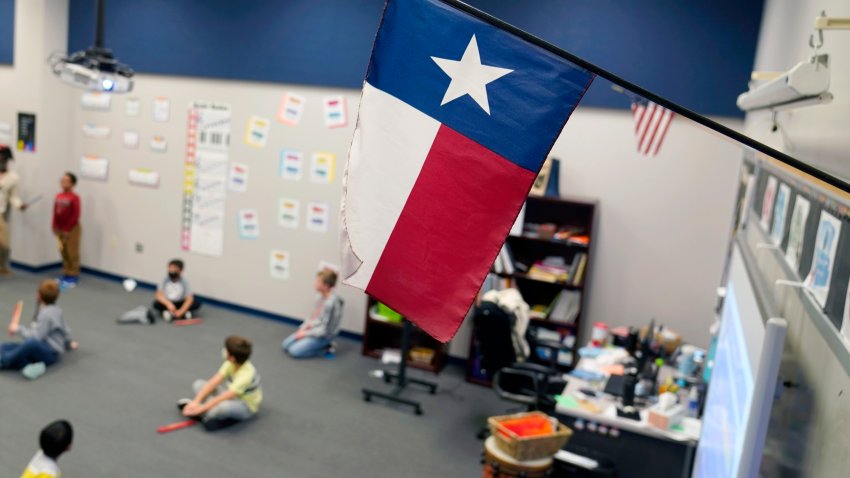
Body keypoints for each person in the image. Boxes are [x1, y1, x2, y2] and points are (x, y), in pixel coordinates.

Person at [178, 335, 262, 431]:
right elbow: (214, 381)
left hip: (245, 406)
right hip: (231, 396)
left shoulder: (246, 376)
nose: (224, 351)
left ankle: (204, 414)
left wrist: (201, 409)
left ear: (232, 357)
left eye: (226, 350)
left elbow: (225, 396)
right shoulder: (230, 363)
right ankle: (204, 412)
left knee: (223, 408)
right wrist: (195, 402)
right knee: (198, 384)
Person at [1, 280, 78, 379]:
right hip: (41, 348)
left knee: (29, 344)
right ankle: (29, 365)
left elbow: (36, 337)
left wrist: (18, 328)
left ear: (38, 296)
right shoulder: (56, 310)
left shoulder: (46, 315)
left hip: (50, 353)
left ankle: (4, 361)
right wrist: (69, 342)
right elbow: (65, 328)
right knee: (4, 346)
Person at [282, 269, 343, 358]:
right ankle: (309, 342)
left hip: (323, 335)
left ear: (326, 286)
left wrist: (305, 334)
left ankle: (326, 348)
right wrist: (303, 328)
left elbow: (324, 330)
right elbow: (313, 317)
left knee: (293, 351)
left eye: (318, 281)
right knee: (285, 345)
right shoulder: (319, 296)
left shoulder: (332, 303)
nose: (315, 283)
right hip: (313, 330)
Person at [0, 145, 27, 276]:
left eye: (3, 158)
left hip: (1, 212)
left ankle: (2, 265)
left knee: (4, 244)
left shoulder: (13, 177)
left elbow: (13, 196)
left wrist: (19, 205)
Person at [53, 172, 82, 288]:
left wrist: (67, 229)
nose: (63, 183)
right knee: (63, 250)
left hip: (72, 229)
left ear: (72, 183)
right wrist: (54, 226)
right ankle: (66, 273)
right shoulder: (58, 196)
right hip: (59, 228)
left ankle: (73, 275)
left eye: (67, 181)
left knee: (72, 252)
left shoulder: (75, 198)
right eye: (62, 180)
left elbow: (76, 215)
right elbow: (55, 212)